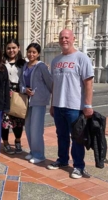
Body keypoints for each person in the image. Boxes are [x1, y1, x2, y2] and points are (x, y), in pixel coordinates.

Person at [48, 29, 94, 179]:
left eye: (67, 37)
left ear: (73, 38)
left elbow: (88, 83)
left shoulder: (81, 58)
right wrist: (53, 103)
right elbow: (55, 84)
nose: (64, 40)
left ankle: (79, 166)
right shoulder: (56, 61)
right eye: (61, 37)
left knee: (77, 137)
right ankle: (62, 160)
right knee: (61, 135)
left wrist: (88, 105)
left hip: (75, 106)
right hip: (59, 105)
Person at [20, 43, 52, 164]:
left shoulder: (41, 66)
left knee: (36, 128)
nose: (31, 54)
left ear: (38, 54)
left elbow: (50, 83)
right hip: (27, 101)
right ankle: (33, 151)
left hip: (38, 101)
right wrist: (24, 90)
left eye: (34, 52)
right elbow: (21, 83)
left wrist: (45, 95)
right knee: (28, 127)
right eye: (29, 52)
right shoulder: (25, 66)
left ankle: (39, 154)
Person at [1, 39, 26, 154]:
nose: (11, 50)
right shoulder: (1, 62)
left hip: (19, 93)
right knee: (5, 121)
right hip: (4, 93)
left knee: (18, 119)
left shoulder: (24, 63)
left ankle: (17, 141)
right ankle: (5, 143)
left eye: (14, 48)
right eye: (9, 48)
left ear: (18, 48)